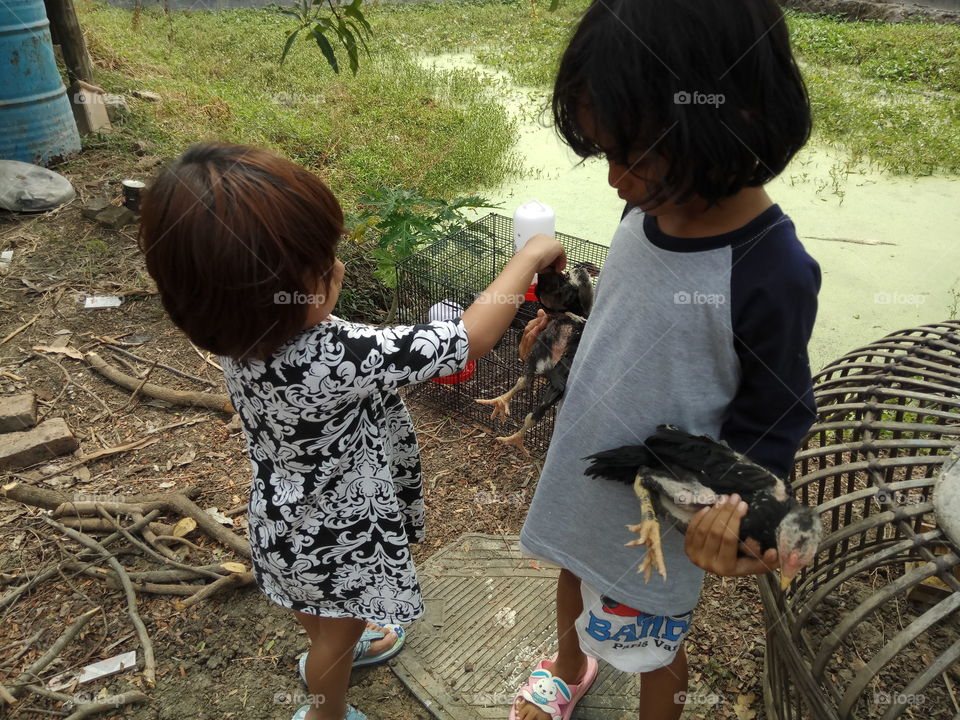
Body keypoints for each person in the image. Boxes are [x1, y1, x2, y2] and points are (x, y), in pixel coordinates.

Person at [137, 142, 565, 720]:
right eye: (322, 265)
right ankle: (325, 710)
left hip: (284, 519)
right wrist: (530, 254)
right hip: (341, 535)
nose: (337, 267)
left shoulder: (235, 334)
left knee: (321, 620)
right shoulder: (335, 351)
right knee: (333, 640)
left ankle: (332, 646)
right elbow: (469, 341)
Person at [510, 0, 820, 718]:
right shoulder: (644, 209)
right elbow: (628, 313)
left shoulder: (771, 269)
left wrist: (738, 513)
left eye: (632, 155)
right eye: (607, 153)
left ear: (728, 119)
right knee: (571, 563)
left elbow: (777, 414)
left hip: (662, 492)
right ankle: (567, 668)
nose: (614, 179)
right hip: (587, 454)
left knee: (651, 631)